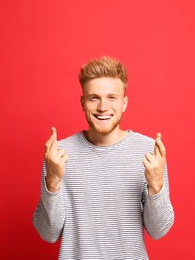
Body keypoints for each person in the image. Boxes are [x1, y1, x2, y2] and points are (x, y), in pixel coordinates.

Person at [33, 56, 174, 259]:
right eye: (94, 98)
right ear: (83, 103)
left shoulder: (149, 151)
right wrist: (52, 183)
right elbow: (49, 234)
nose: (102, 107)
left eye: (111, 97)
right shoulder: (58, 155)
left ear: (124, 103)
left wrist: (156, 186)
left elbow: (158, 231)